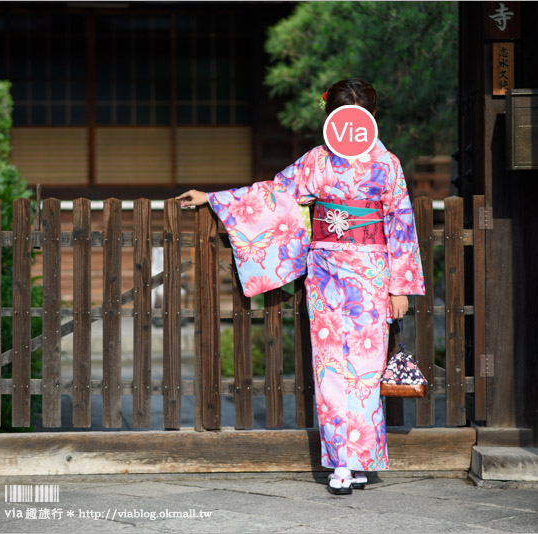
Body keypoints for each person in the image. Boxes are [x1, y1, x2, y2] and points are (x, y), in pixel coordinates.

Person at [176, 77, 425, 496]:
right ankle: (342, 464)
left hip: (369, 273)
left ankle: (357, 459)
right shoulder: (319, 161)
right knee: (332, 369)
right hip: (328, 271)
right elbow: (276, 195)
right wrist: (214, 198)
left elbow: (401, 222)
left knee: (362, 371)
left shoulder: (386, 165)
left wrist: (400, 287)